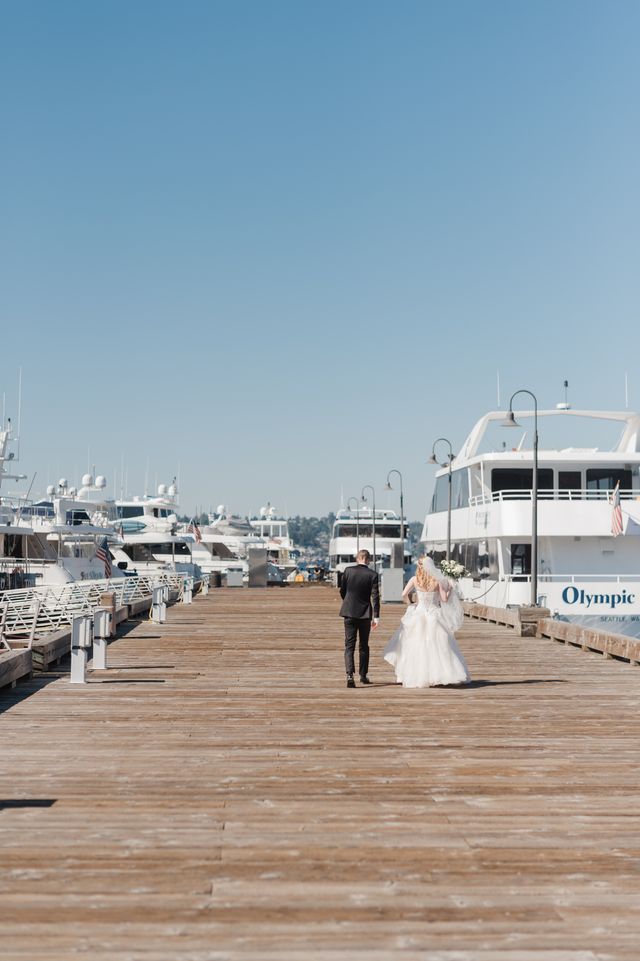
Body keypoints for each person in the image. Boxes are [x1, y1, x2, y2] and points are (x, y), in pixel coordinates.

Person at [383, 555, 470, 688]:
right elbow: (444, 599)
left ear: (419, 567)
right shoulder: (437, 580)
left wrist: (410, 604)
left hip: (419, 613)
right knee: (439, 646)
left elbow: (403, 594)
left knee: (415, 645)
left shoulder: (414, 579)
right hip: (434, 615)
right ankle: (439, 675)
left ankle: (415, 675)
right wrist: (450, 588)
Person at [339, 548, 380, 688]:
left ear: (357, 558)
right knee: (364, 646)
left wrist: (347, 601)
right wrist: (376, 617)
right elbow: (375, 597)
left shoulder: (348, 571)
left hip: (349, 612)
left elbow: (342, 590)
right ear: (368, 560)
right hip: (365, 614)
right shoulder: (373, 574)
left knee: (349, 645)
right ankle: (363, 675)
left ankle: (349, 675)